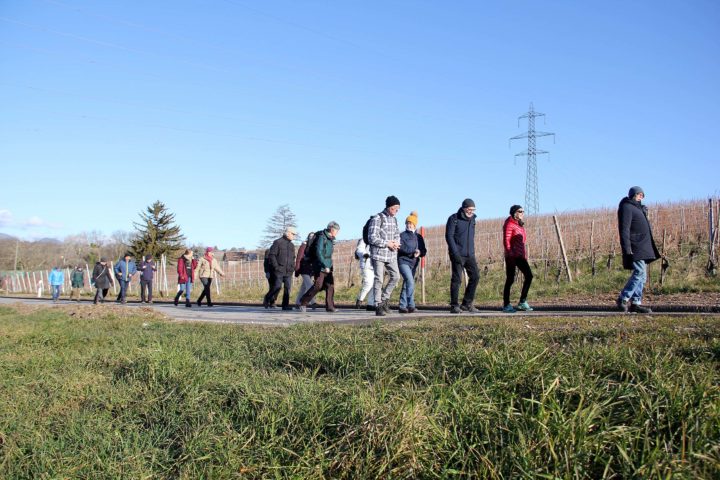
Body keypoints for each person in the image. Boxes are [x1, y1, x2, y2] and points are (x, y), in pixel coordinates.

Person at [617, 186, 660, 313]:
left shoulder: (638, 208)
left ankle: (636, 303)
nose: (641, 197)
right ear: (633, 195)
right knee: (639, 272)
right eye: (638, 194)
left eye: (642, 195)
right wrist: (627, 247)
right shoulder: (626, 207)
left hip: (643, 245)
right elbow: (624, 229)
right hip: (635, 245)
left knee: (643, 276)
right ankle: (623, 298)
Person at [369, 196, 402, 317]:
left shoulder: (395, 220)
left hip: (391, 254)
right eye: (395, 208)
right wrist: (387, 243)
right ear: (389, 207)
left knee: (396, 277)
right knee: (379, 279)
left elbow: (397, 234)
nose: (396, 211)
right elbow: (372, 237)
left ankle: (384, 299)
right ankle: (377, 305)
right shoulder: (377, 218)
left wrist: (396, 243)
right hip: (378, 254)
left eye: (398, 209)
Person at [445, 198, 480, 314]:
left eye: (473, 210)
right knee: (457, 279)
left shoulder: (473, 220)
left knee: (475, 276)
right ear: (464, 208)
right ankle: (454, 305)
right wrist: (455, 253)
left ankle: (467, 303)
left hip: (470, 255)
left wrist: (473, 252)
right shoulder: (454, 219)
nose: (471, 211)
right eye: (469, 209)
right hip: (457, 254)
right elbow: (449, 236)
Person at [299, 221, 340, 312]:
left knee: (330, 286)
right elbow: (319, 252)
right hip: (320, 266)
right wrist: (324, 265)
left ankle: (330, 307)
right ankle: (303, 302)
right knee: (318, 286)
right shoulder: (322, 237)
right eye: (337, 230)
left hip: (328, 266)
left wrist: (329, 265)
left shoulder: (330, 239)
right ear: (332, 229)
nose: (338, 232)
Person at [502, 205, 534, 313]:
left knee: (529, 276)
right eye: (520, 211)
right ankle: (506, 305)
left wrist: (523, 254)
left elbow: (522, 242)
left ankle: (522, 302)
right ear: (514, 213)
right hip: (512, 256)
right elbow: (506, 241)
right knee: (510, 279)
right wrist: (510, 254)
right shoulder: (509, 224)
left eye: (523, 211)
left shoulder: (520, 225)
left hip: (520, 255)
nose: (522, 213)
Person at [397, 211, 427, 314]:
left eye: (411, 223)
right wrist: (412, 252)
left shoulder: (419, 237)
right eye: (407, 223)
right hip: (403, 261)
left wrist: (419, 252)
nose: (409, 225)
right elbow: (401, 248)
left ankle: (402, 305)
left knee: (407, 283)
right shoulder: (402, 235)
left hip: (414, 263)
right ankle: (411, 305)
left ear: (415, 224)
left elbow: (424, 250)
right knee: (410, 281)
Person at [263, 227, 297, 311]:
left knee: (287, 288)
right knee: (277, 286)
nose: (294, 236)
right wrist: (276, 267)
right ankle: (267, 297)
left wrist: (293, 267)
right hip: (279, 270)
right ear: (288, 233)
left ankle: (285, 305)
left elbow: (293, 257)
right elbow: (272, 255)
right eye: (293, 234)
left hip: (288, 271)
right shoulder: (278, 242)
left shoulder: (292, 245)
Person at [294, 232, 317, 309]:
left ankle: (297, 302)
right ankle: (313, 302)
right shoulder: (304, 245)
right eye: (310, 236)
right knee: (309, 285)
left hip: (311, 270)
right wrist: (297, 269)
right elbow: (299, 258)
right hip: (304, 269)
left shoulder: (315, 246)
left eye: (313, 236)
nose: (311, 237)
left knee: (304, 287)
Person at [354, 238, 375, 310]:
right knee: (368, 283)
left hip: (376, 264)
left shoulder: (377, 238)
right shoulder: (365, 239)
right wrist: (365, 254)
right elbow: (359, 250)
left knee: (374, 284)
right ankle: (359, 299)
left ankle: (370, 304)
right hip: (367, 264)